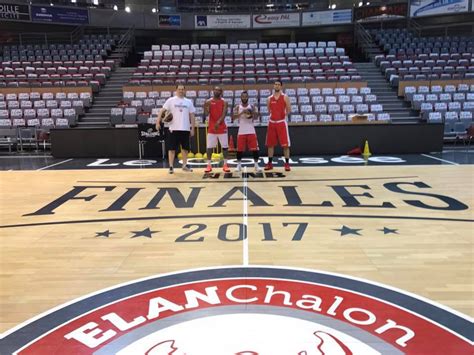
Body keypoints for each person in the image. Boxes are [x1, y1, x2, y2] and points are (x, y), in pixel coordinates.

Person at [156, 84, 195, 174]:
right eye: (179, 89)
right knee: (171, 149)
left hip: (185, 128)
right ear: (176, 90)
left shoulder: (188, 102)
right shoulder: (171, 100)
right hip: (173, 128)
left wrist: (192, 128)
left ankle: (184, 165)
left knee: (185, 149)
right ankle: (171, 166)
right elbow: (162, 111)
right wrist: (157, 122)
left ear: (184, 90)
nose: (181, 91)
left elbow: (192, 116)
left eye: (182, 89)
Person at [232, 91, 262, 173]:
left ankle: (256, 165)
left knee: (255, 149)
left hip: (251, 130)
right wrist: (242, 112)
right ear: (241, 97)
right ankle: (239, 165)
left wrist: (251, 112)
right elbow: (233, 118)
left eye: (246, 96)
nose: (244, 98)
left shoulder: (252, 106)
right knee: (239, 150)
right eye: (243, 96)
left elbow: (257, 117)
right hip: (241, 131)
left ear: (248, 97)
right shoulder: (237, 107)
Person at [265, 80, 292, 171]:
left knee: (285, 145)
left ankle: (287, 164)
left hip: (281, 123)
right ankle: (269, 163)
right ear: (274, 86)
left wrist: (283, 115)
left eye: (278, 85)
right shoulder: (269, 98)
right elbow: (269, 111)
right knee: (270, 144)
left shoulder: (285, 97)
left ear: (281, 86)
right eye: (275, 84)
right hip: (272, 123)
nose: (276, 86)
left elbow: (288, 109)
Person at [203, 86, 230, 173]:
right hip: (212, 128)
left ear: (221, 92)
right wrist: (205, 107)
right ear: (213, 91)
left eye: (219, 90)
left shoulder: (224, 102)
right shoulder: (208, 101)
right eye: (216, 90)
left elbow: (224, 114)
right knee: (209, 148)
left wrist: (218, 122)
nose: (217, 91)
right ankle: (209, 165)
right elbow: (207, 113)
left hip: (222, 128)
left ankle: (225, 165)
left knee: (225, 147)